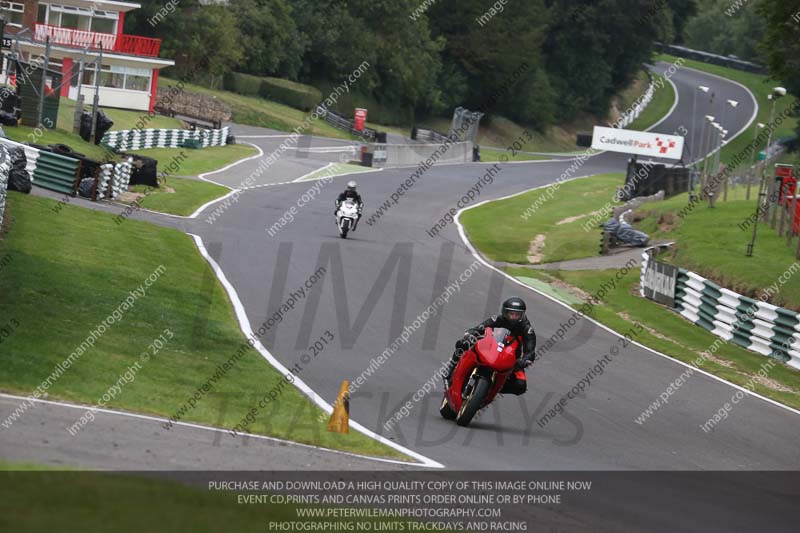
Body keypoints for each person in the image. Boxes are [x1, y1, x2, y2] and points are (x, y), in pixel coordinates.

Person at [444, 297, 536, 395]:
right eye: (511, 314)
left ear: (522, 315)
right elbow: (480, 327)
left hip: (511, 358)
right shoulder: (498, 319)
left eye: (517, 315)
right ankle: (451, 368)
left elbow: (530, 350)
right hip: (490, 347)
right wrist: (471, 333)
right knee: (463, 343)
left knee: (520, 386)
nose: (513, 317)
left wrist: (525, 360)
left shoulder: (527, 329)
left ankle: (491, 390)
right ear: (505, 312)